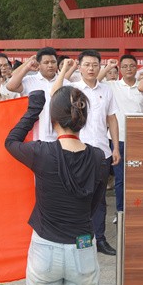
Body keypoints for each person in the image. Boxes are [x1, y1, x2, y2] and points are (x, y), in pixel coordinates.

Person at [5, 88, 108, 285]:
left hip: (45, 250)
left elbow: (11, 141)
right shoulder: (98, 157)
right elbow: (95, 204)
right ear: (83, 119)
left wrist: (33, 109)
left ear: (52, 119)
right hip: (82, 249)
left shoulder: (42, 153)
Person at [55, 52, 120, 257]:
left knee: (99, 199)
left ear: (100, 66)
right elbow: (54, 94)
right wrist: (65, 70)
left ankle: (99, 239)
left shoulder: (106, 90)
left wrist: (115, 147)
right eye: (87, 65)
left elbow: (112, 119)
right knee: (77, 197)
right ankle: (79, 240)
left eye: (95, 64)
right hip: (76, 150)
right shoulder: (72, 89)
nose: (91, 68)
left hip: (101, 151)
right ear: (80, 67)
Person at [109, 54, 143, 217]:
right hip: (118, 139)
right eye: (125, 66)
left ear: (137, 67)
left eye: (132, 66)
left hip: (138, 140)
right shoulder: (112, 86)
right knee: (120, 179)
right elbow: (94, 81)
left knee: (138, 178)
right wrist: (108, 67)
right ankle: (121, 212)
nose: (128, 69)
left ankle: (136, 212)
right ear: (120, 69)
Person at [6, 47, 68, 142]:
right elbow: (10, 86)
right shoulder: (30, 80)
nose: (50, 65)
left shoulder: (65, 83)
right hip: (35, 136)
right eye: (46, 62)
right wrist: (27, 68)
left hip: (59, 137)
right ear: (39, 64)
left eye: (53, 62)